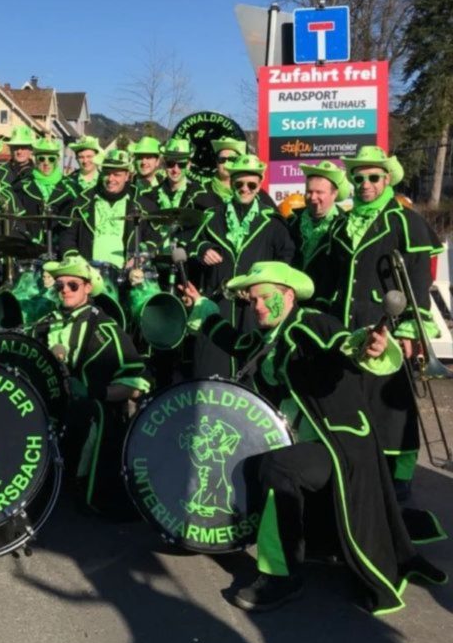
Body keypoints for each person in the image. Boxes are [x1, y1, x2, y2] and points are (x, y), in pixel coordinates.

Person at [181, 261, 445, 613]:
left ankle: (280, 574)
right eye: (253, 300)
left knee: (278, 467)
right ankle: (312, 540)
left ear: (289, 295)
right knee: (256, 462)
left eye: (265, 298)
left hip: (337, 444)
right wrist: (203, 307)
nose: (257, 306)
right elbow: (234, 341)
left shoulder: (311, 323)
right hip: (300, 440)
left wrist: (371, 346)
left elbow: (343, 344)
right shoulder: (268, 339)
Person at [323, 146, 442, 494]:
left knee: (392, 405)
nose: (365, 183)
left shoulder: (406, 220)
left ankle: (399, 475)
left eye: (373, 177)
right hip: (348, 327)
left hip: (387, 325)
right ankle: (358, 470)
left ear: (387, 179)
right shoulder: (342, 223)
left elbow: (419, 278)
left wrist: (410, 328)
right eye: (358, 177)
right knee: (352, 401)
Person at [30, 255, 149, 516]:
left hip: (88, 411)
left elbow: (136, 385)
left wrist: (91, 392)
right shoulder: (46, 322)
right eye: (60, 285)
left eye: (72, 285)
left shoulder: (106, 328)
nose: (65, 290)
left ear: (87, 287)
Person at [190, 154, 294, 378]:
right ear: (231, 183)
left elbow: (286, 260)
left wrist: (265, 287)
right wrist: (202, 248)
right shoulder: (211, 217)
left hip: (255, 310)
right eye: (239, 184)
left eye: (251, 185)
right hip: (217, 305)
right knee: (211, 372)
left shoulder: (273, 222)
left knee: (250, 373)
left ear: (259, 185)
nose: (245, 189)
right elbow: (186, 245)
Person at [288, 161, 349, 295]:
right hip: (293, 298)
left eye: (319, 192)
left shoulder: (345, 225)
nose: (313, 197)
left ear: (334, 194)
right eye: (309, 192)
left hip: (325, 301)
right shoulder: (291, 222)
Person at [14, 136, 76, 244]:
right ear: (36, 160)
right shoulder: (22, 186)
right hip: (30, 246)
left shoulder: (70, 188)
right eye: (41, 159)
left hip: (60, 246)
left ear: (57, 160)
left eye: (51, 159)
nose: (46, 163)